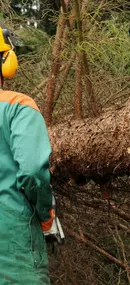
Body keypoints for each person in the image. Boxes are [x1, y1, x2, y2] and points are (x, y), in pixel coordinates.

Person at [0, 27, 53, 284]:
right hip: (12, 257)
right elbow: (32, 171)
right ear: (6, 61)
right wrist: (45, 214)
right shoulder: (18, 107)